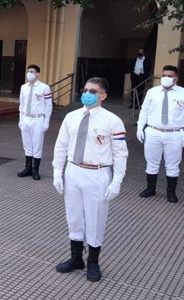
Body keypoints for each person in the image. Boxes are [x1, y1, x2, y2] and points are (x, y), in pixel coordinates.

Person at [52, 77, 127, 282]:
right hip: (74, 171)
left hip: (98, 173)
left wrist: (117, 181)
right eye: (85, 89)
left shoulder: (112, 120)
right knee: (74, 216)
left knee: (95, 219)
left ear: (103, 96)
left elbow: (121, 153)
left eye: (92, 91)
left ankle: (93, 262)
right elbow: (60, 146)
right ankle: (76, 258)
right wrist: (57, 172)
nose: (86, 93)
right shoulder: (71, 117)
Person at [137, 65, 184, 203]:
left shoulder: (182, 93)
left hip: (174, 134)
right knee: (152, 162)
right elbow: (144, 110)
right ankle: (150, 189)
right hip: (153, 132)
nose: (166, 78)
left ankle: (171, 193)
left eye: (169, 76)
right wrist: (140, 127)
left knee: (172, 164)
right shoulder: (152, 92)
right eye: (164, 75)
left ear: (176, 78)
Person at [17, 65, 53, 180]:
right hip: (26, 118)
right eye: (28, 71)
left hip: (38, 119)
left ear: (37, 74)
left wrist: (46, 121)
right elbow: (21, 104)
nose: (29, 74)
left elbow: (48, 106)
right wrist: (21, 119)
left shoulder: (44, 88)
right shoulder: (24, 87)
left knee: (37, 145)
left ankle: (35, 170)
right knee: (27, 145)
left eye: (32, 71)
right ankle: (27, 168)